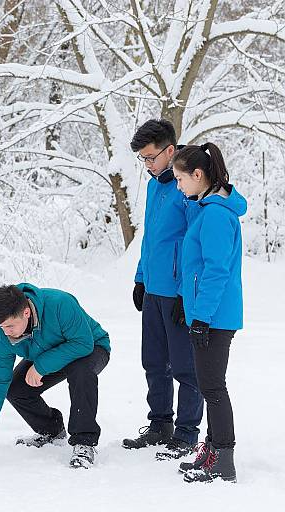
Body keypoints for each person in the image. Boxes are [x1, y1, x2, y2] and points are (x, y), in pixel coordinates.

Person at [123, 119, 203, 460]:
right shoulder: (156, 185)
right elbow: (150, 238)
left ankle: (186, 432)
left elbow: (192, 245)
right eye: (142, 159)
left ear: (170, 151)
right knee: (153, 362)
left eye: (151, 157)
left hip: (177, 293)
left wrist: (185, 294)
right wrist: (141, 278)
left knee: (185, 367)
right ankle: (160, 425)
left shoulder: (188, 187)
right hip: (154, 290)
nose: (147, 165)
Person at [0, 284, 110, 469]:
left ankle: (84, 442)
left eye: (10, 326)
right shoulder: (5, 332)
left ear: (26, 312)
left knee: (81, 373)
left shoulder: (60, 303)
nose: (6, 332)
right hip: (48, 353)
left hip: (90, 347)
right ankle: (52, 431)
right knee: (15, 389)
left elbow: (83, 343)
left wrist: (41, 366)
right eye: (1, 327)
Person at [171, 143, 246, 483]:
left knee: (213, 388)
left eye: (180, 178)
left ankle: (224, 459)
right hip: (210, 313)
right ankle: (213, 449)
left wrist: (201, 316)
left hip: (213, 316)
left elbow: (216, 271)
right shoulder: (209, 208)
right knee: (210, 385)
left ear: (197, 175)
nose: (178, 185)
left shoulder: (215, 215)